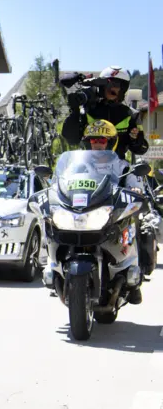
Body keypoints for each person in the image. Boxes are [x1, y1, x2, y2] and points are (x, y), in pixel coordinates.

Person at [80, 119, 143, 304]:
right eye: (93, 139)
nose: (97, 142)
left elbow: (133, 182)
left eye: (102, 139)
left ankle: (134, 281)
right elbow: (62, 181)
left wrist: (135, 189)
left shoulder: (122, 165)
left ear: (110, 141)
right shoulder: (79, 165)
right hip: (85, 213)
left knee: (131, 228)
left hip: (112, 213)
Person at [62, 66, 148, 161]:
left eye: (117, 85)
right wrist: (75, 111)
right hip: (90, 166)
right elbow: (71, 139)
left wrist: (134, 139)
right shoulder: (88, 111)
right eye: (109, 84)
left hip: (118, 169)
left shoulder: (131, 114)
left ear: (123, 89)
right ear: (102, 86)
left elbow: (142, 149)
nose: (113, 88)